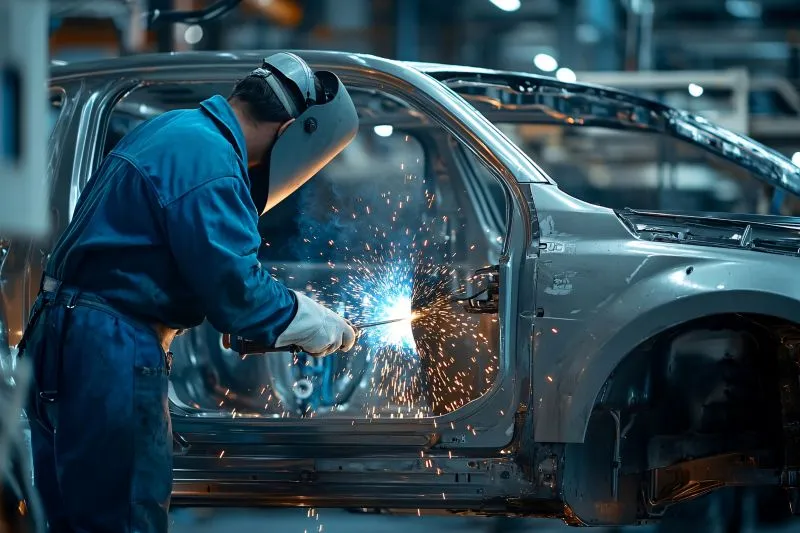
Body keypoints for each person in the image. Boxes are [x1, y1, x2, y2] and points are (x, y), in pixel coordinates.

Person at [18, 53, 360, 533]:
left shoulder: (173, 129)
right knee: (124, 519)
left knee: (71, 520)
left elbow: (164, 253)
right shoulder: (215, 163)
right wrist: (310, 320)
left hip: (60, 335)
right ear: (287, 132)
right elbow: (239, 292)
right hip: (108, 349)